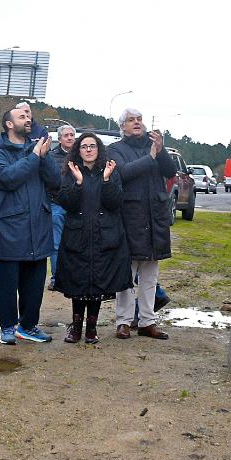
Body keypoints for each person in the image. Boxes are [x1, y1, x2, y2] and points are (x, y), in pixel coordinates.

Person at [0, 107, 58, 345]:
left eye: (29, 117)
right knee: (7, 284)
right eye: (22, 117)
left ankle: (28, 326)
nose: (28, 120)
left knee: (35, 283)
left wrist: (44, 158)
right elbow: (9, 178)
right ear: (8, 124)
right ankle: (7, 326)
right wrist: (35, 157)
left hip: (37, 224)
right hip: (9, 226)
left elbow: (55, 181)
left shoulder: (37, 148)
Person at [107, 107, 176, 340]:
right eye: (130, 120)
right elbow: (123, 173)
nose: (136, 123)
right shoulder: (115, 149)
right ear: (122, 126)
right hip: (130, 217)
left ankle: (147, 321)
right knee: (127, 275)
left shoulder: (153, 146)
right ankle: (124, 322)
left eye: (139, 119)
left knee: (150, 276)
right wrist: (152, 157)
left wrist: (161, 149)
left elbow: (170, 171)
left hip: (155, 217)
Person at [55, 132, 131, 344]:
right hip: (77, 235)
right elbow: (66, 202)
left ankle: (92, 328)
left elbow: (115, 202)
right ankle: (75, 328)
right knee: (79, 284)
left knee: (96, 284)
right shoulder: (70, 171)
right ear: (78, 150)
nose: (88, 150)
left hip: (102, 236)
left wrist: (106, 179)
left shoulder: (110, 170)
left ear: (98, 150)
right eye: (84, 146)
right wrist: (78, 183)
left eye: (92, 146)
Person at [46, 124, 76, 291]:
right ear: (60, 138)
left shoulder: (81, 155)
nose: (70, 138)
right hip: (57, 205)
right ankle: (56, 278)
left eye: (72, 135)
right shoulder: (51, 156)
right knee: (56, 245)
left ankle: (72, 277)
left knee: (75, 244)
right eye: (66, 135)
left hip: (77, 207)